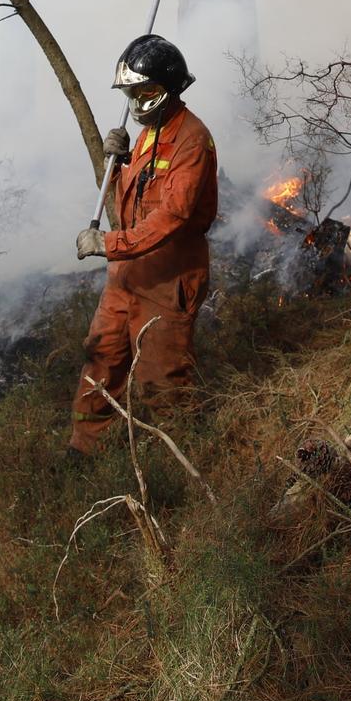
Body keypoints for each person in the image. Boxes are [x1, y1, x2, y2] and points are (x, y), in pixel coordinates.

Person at [68, 34, 220, 456]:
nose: (137, 100)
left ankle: (176, 462)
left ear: (170, 88)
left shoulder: (192, 139)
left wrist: (107, 243)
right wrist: (113, 167)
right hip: (127, 278)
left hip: (167, 282)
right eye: (132, 92)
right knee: (101, 360)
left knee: (162, 378)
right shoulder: (149, 135)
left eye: (146, 91)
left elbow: (172, 216)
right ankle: (86, 451)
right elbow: (131, 203)